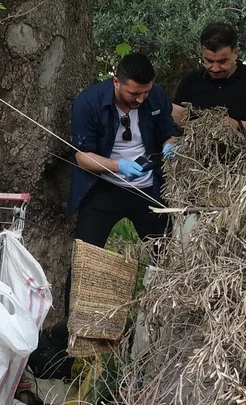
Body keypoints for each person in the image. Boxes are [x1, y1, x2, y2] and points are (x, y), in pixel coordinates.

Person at [65, 52, 177, 313]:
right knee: (85, 262)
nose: (140, 99)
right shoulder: (88, 102)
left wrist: (172, 147)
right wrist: (118, 166)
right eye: (133, 93)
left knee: (168, 255)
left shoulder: (156, 96)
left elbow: (168, 134)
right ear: (116, 82)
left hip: (149, 189)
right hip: (103, 188)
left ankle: (167, 317)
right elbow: (82, 157)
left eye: (145, 93)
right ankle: (72, 330)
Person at [172, 22, 246, 138]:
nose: (215, 69)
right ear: (202, 52)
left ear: (236, 53)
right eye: (209, 61)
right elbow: (175, 118)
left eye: (222, 62)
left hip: (244, 153)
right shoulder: (191, 81)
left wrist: (238, 126)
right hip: (195, 155)